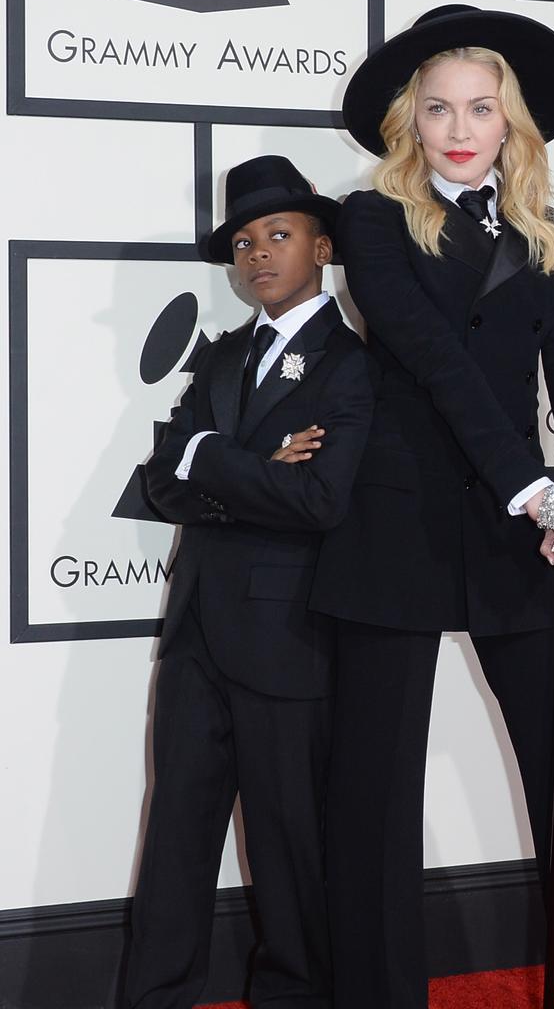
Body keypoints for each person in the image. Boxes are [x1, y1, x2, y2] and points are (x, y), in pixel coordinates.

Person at [311, 5, 554, 1009]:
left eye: (481, 107)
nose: (460, 128)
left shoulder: (553, 232)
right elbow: (435, 362)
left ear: (511, 120)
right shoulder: (371, 219)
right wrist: (537, 487)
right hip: (401, 521)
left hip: (524, 528)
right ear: (408, 122)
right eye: (437, 109)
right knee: (375, 792)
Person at [124, 155, 377, 1009]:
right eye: (243, 241)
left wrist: (211, 464)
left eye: (278, 234)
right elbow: (160, 481)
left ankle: (295, 998)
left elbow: (316, 498)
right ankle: (154, 997)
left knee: (286, 842)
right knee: (175, 838)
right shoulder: (225, 358)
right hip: (195, 633)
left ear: (322, 245)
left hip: (287, 639)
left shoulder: (355, 365)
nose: (258, 254)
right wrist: (236, 463)